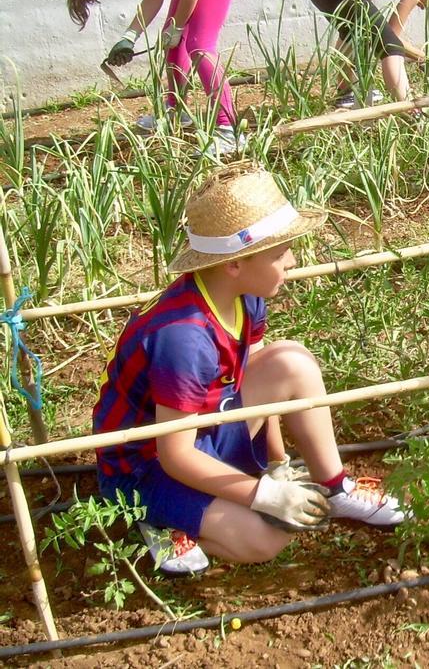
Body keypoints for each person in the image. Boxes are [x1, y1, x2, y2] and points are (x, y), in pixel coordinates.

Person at [92, 162, 409, 575]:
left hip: (203, 428)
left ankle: (335, 488)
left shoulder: (245, 295)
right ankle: (159, 521)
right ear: (235, 263)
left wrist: (276, 464)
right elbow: (174, 455)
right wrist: (264, 496)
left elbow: (247, 377)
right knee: (265, 538)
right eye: (280, 254)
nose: (292, 261)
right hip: (146, 468)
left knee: (291, 362)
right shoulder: (183, 337)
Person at [64, 0, 245, 154]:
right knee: (173, 44)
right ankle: (176, 113)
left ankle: (229, 131)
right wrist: (128, 38)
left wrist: (177, 26)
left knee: (199, 45)